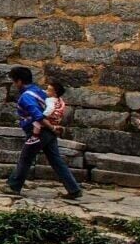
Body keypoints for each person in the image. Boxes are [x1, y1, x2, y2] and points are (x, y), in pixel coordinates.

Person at [5, 66, 82, 201]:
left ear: (19, 81)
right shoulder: (40, 91)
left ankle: (13, 186)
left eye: (14, 81)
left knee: (26, 158)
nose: (14, 84)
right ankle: (74, 189)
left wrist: (52, 128)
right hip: (49, 132)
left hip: (39, 130)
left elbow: (38, 116)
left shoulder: (26, 97)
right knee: (56, 160)